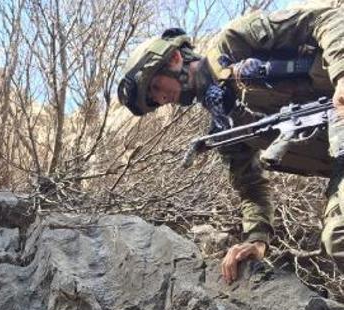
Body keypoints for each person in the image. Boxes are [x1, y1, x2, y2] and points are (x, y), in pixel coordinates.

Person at [117, 1, 344, 283]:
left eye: (155, 87)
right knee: (338, 235)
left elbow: (329, 18)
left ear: (175, 58)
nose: (161, 100)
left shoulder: (235, 40)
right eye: (154, 101)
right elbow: (251, 187)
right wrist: (257, 240)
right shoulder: (226, 128)